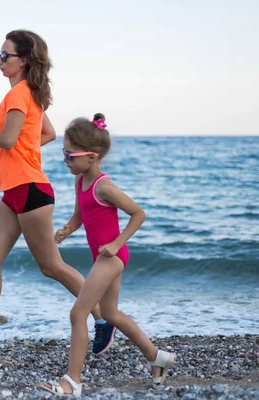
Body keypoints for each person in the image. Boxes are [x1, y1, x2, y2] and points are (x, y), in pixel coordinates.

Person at [0, 30, 115, 355]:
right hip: (14, 191)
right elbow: (46, 133)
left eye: (4, 55)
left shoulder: (20, 95)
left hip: (30, 190)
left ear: (22, 61)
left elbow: (7, 139)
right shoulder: (27, 94)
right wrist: (15, 151)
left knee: (51, 266)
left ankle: (103, 319)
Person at [38, 114, 176, 396]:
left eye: (69, 154)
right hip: (103, 257)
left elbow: (138, 214)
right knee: (111, 313)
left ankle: (72, 382)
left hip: (111, 258)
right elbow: (81, 216)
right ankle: (157, 357)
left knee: (78, 313)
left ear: (92, 157)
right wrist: (67, 229)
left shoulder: (104, 186)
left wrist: (116, 244)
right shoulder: (80, 182)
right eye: (63, 153)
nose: (65, 159)